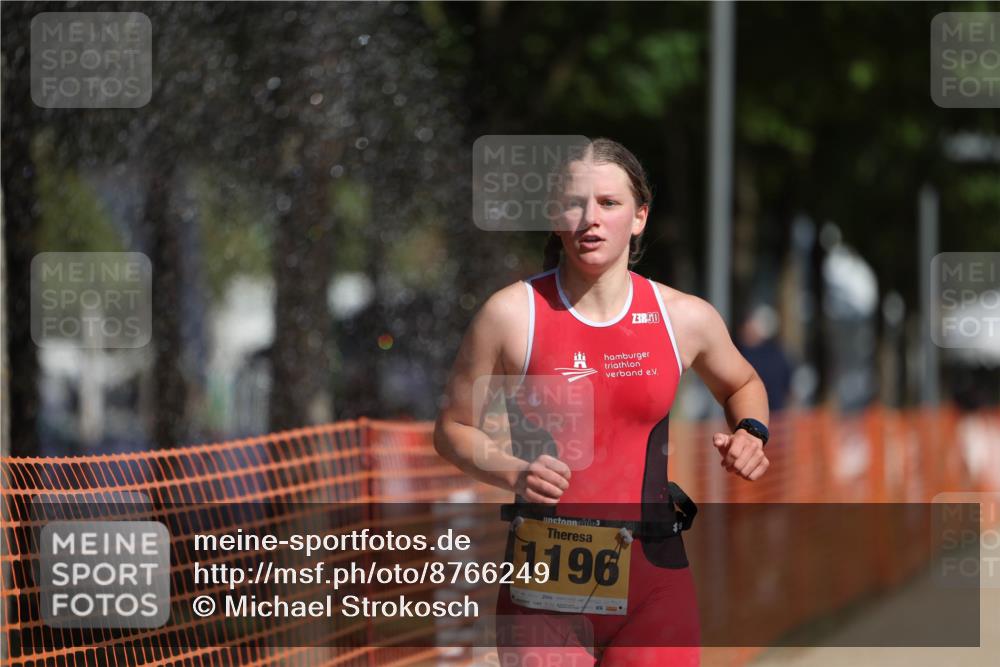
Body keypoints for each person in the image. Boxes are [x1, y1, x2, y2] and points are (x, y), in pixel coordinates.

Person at [434, 138, 770, 666]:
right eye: (575, 203)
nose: (590, 219)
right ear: (554, 216)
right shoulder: (511, 315)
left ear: (639, 217)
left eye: (609, 204)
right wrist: (513, 472)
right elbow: (453, 429)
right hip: (544, 583)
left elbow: (742, 383)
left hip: (655, 578)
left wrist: (751, 430)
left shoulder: (682, 317)